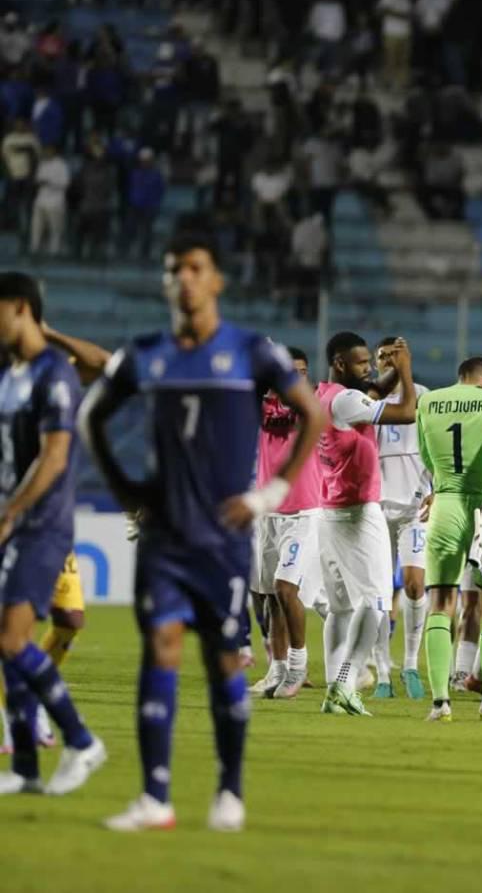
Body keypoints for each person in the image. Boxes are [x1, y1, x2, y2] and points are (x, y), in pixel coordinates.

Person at [79, 233, 325, 831]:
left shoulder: (251, 352)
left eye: (195, 268)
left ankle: (229, 792)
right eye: (174, 270)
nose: (185, 279)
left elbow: (313, 413)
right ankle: (154, 797)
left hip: (222, 539)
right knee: (160, 650)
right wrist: (124, 488)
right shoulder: (145, 354)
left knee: (223, 664)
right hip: (164, 537)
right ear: (166, 283)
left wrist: (269, 493)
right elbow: (90, 416)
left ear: (216, 280)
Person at [0, 273, 105, 797]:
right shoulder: (11, 374)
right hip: (17, 521)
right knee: (9, 643)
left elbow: (55, 456)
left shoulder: (53, 373)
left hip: (39, 524)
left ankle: (81, 741)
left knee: (13, 639)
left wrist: (11, 512)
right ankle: (24, 764)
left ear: (21, 308)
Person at [313, 333, 416, 716]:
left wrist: (390, 371)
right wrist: (406, 370)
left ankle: (333, 689)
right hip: (358, 513)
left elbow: (372, 392)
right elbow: (406, 412)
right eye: (361, 363)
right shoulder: (345, 400)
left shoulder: (325, 395)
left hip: (330, 510)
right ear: (340, 363)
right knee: (376, 602)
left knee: (341, 608)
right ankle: (346, 682)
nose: (369, 369)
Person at [417, 356, 482, 722]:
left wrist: (440, 489)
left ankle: (440, 703)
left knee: (441, 600)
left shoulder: (428, 401)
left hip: (445, 504)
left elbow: (426, 455)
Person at [248, 347, 322, 701]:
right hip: (269, 515)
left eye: (302, 372)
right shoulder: (261, 406)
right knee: (270, 598)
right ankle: (276, 670)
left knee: (286, 589)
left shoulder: (312, 405)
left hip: (303, 513)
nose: (297, 378)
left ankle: (297, 666)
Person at [374, 338, 431, 701]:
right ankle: (382, 671)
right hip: (377, 509)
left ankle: (410, 663)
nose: (388, 361)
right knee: (379, 592)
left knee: (414, 585)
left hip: (414, 508)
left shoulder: (423, 396)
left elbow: (438, 445)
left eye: (394, 355)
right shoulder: (368, 398)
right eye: (382, 356)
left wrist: (437, 486)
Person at [125, 149, 166, 260]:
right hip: (136, 205)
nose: (145, 163)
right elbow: (130, 188)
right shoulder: (135, 174)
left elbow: (160, 190)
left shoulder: (156, 175)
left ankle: (144, 253)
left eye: (147, 160)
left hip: (150, 206)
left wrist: (155, 204)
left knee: (147, 231)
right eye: (143, 160)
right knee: (131, 229)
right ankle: (126, 250)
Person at [30, 144, 69, 256]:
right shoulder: (42, 164)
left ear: (54, 151)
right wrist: (39, 182)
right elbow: (37, 179)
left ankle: (54, 251)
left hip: (55, 202)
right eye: (45, 151)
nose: (45, 153)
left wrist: (49, 182)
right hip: (40, 201)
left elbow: (65, 183)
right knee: (36, 227)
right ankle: (34, 249)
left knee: (55, 229)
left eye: (48, 151)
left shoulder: (61, 165)